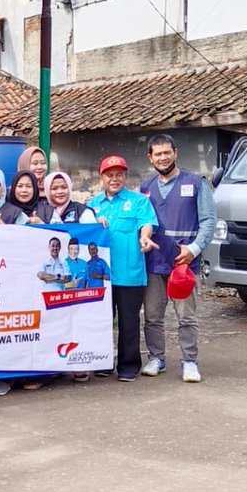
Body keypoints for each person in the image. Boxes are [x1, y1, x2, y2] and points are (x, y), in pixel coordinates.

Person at [139, 134, 217, 384]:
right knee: (152, 315)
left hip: (184, 264)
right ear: (150, 158)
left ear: (176, 153)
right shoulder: (146, 188)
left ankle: (190, 361)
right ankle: (156, 357)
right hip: (154, 262)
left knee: (186, 316)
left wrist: (194, 249)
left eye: (166, 152)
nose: (163, 158)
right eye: (157, 154)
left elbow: (208, 221)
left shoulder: (196, 183)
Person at [87, 155, 158, 382]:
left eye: (119, 175)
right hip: (101, 276)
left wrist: (145, 238)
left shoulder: (139, 201)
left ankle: (128, 366)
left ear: (125, 176)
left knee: (129, 322)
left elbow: (146, 224)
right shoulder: (92, 205)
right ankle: (102, 361)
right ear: (102, 178)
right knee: (101, 320)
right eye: (110, 175)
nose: (114, 179)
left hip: (130, 273)